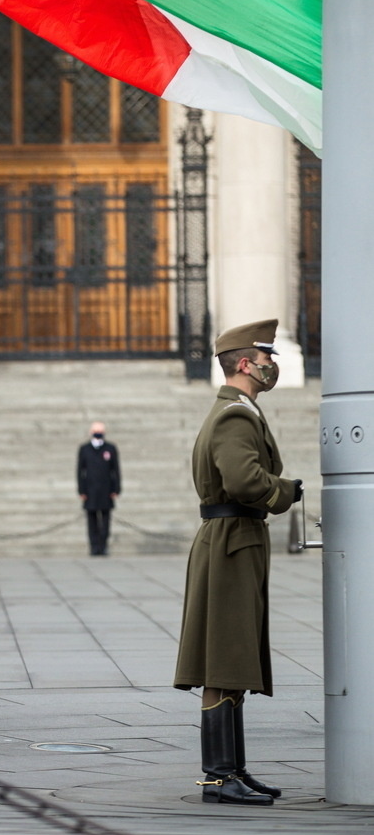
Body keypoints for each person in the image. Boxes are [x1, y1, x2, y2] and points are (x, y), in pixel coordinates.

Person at [173, 319, 303, 806]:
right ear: (246, 363)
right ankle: (218, 776)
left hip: (235, 540)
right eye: (267, 357)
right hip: (232, 542)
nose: (273, 364)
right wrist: (287, 492)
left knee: (234, 656)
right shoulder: (234, 416)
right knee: (225, 658)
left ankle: (233, 770)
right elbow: (247, 482)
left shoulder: (239, 409)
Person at [76, 421, 121, 555]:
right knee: (92, 520)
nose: (98, 433)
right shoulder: (85, 449)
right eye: (96, 430)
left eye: (100, 430)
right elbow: (80, 471)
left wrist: (116, 489)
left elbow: (116, 470)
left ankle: (103, 546)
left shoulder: (110, 448)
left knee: (106, 521)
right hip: (90, 491)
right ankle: (94, 546)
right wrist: (81, 490)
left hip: (106, 490)